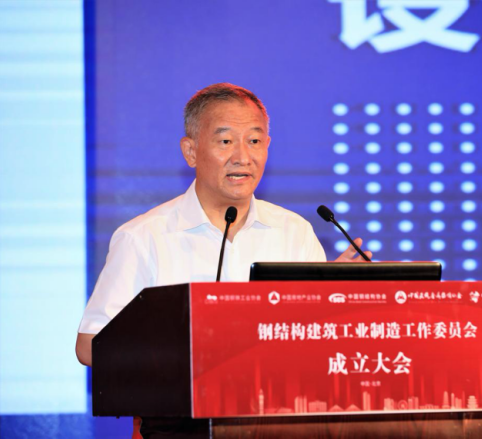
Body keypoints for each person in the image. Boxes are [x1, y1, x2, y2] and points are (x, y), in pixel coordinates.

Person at [75, 82, 371, 366]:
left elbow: (312, 342)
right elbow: (91, 346)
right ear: (191, 152)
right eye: (226, 141)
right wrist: (186, 347)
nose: (242, 157)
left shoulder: (294, 232)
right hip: (182, 401)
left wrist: (333, 301)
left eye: (254, 141)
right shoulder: (144, 237)